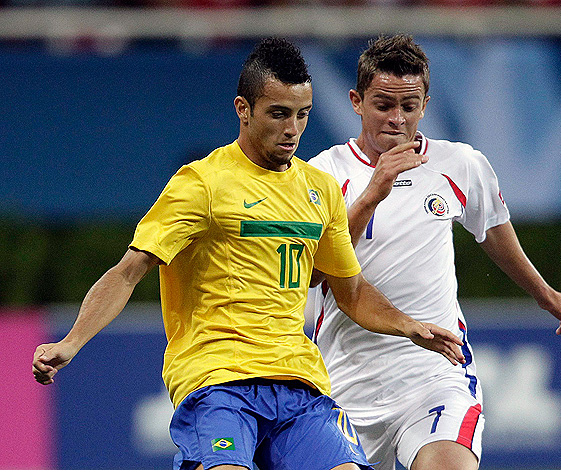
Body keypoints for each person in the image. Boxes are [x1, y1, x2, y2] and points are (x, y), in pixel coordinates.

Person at [32, 38, 466, 470]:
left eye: (302, 114)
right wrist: (71, 342)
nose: (292, 129)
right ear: (244, 109)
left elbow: (349, 290)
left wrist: (408, 326)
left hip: (298, 383)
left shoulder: (320, 191)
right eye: (278, 114)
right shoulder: (202, 184)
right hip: (217, 380)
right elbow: (129, 272)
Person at [307, 34, 561, 470]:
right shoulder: (323, 172)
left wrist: (546, 295)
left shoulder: (460, 164)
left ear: (425, 104)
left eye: (409, 105)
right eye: (383, 105)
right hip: (343, 384)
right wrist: (372, 194)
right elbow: (311, 273)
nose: (397, 119)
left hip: (434, 376)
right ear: (356, 101)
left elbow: (495, 231)